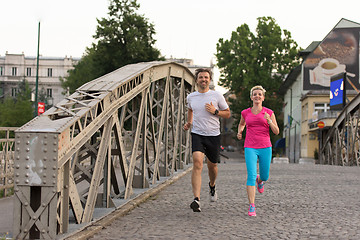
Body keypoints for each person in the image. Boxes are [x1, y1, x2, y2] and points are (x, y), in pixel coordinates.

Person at [183, 68, 231, 212]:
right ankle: (196, 199)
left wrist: (215, 111)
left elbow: (227, 113)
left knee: (212, 167)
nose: (203, 80)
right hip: (197, 134)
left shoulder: (217, 95)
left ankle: (212, 186)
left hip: (213, 135)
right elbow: (190, 109)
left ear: (209, 80)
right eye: (201, 77)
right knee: (197, 162)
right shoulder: (191, 97)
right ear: (196, 80)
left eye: (206, 77)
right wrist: (189, 122)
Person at [237, 85, 279, 216]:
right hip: (250, 146)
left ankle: (260, 180)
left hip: (265, 146)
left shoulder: (269, 112)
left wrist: (269, 121)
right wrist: (240, 131)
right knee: (251, 175)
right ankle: (252, 206)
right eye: (255, 94)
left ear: (263, 98)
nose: (257, 96)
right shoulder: (245, 112)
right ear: (251, 97)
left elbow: (276, 131)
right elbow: (242, 123)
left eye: (260, 94)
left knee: (265, 175)